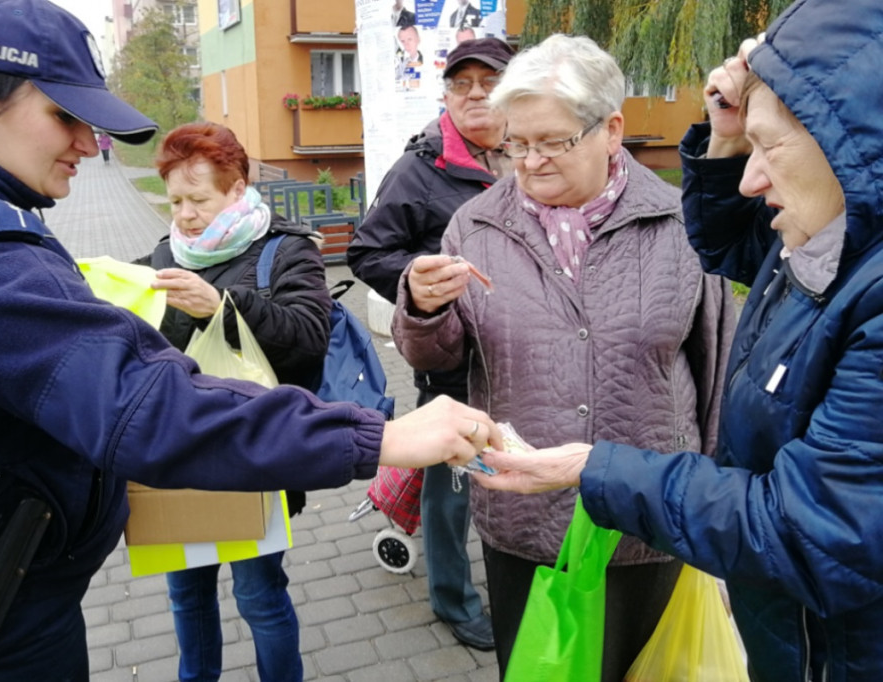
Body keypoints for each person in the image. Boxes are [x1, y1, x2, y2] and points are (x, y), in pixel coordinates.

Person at [0, 0, 500, 679]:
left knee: (260, 597)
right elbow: (148, 406)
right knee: (192, 599)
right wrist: (382, 438)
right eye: (63, 116)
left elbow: (294, 336)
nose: (86, 142)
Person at [473, 2, 883, 680]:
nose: (752, 180)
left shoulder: (856, 285)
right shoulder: (823, 244)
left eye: (770, 147)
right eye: (517, 143)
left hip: (822, 641)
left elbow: (810, 532)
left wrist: (594, 467)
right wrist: (729, 137)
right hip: (765, 610)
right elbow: (728, 243)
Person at [390, 34, 735, 680]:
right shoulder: (475, 226)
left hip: (649, 516)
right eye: (516, 143)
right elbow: (439, 360)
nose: (529, 161)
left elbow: (717, 373)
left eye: (552, 141)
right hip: (525, 522)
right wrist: (422, 306)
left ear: (611, 130)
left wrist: (710, 503)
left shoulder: (681, 224)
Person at [133, 122, 327, 682]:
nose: (185, 214)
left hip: (253, 451)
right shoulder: (163, 253)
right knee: (186, 593)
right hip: (177, 453)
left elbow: (309, 335)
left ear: (237, 190)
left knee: (259, 592)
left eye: (200, 199)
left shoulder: (286, 251)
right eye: (175, 200)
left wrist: (221, 306)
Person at [348, 37, 516, 652]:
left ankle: (520, 571)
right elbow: (367, 250)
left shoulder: (532, 155)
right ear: (446, 94)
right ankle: (454, 599)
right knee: (455, 484)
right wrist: (422, 282)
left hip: (525, 353)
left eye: (489, 81)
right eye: (461, 83)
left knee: (519, 466)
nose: (475, 93)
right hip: (452, 357)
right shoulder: (422, 167)